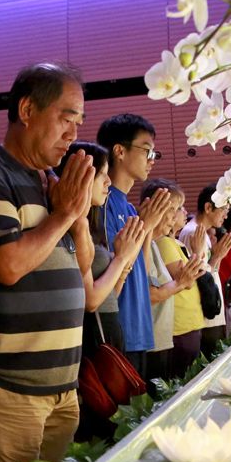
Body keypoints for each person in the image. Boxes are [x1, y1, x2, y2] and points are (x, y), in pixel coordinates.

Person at [0, 62, 95, 462]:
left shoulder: (50, 181)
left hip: (62, 389)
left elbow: (82, 270)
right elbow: (7, 265)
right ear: (26, 109)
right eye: (66, 118)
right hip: (10, 392)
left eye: (79, 123)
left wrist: (76, 215)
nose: (72, 133)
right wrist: (63, 215)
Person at [94, 114, 171, 379]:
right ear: (120, 151)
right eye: (147, 150)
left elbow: (142, 268)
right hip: (119, 329)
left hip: (139, 329)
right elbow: (115, 265)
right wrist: (145, 226)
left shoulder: (128, 207)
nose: (152, 160)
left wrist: (147, 228)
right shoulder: (102, 203)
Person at [58, 141, 148, 360]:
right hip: (94, 340)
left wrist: (123, 261)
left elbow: (109, 296)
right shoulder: (73, 226)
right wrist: (121, 259)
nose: (108, 181)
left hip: (109, 331)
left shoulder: (90, 225)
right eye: (102, 175)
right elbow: (91, 300)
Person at [140, 180, 201, 382]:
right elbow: (148, 294)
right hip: (152, 342)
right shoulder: (151, 244)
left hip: (162, 339)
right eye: (172, 209)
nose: (176, 216)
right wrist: (180, 283)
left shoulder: (155, 244)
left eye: (178, 209)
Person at [154, 186, 207, 378]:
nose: (184, 212)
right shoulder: (163, 242)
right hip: (180, 326)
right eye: (177, 208)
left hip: (190, 323)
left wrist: (197, 254)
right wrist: (199, 252)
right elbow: (188, 279)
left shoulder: (175, 242)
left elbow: (193, 273)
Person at [178, 185, 231, 357]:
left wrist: (216, 257)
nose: (226, 215)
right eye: (223, 209)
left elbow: (209, 270)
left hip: (209, 312)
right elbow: (197, 276)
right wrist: (216, 257)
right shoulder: (192, 232)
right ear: (208, 207)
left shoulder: (201, 232)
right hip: (202, 313)